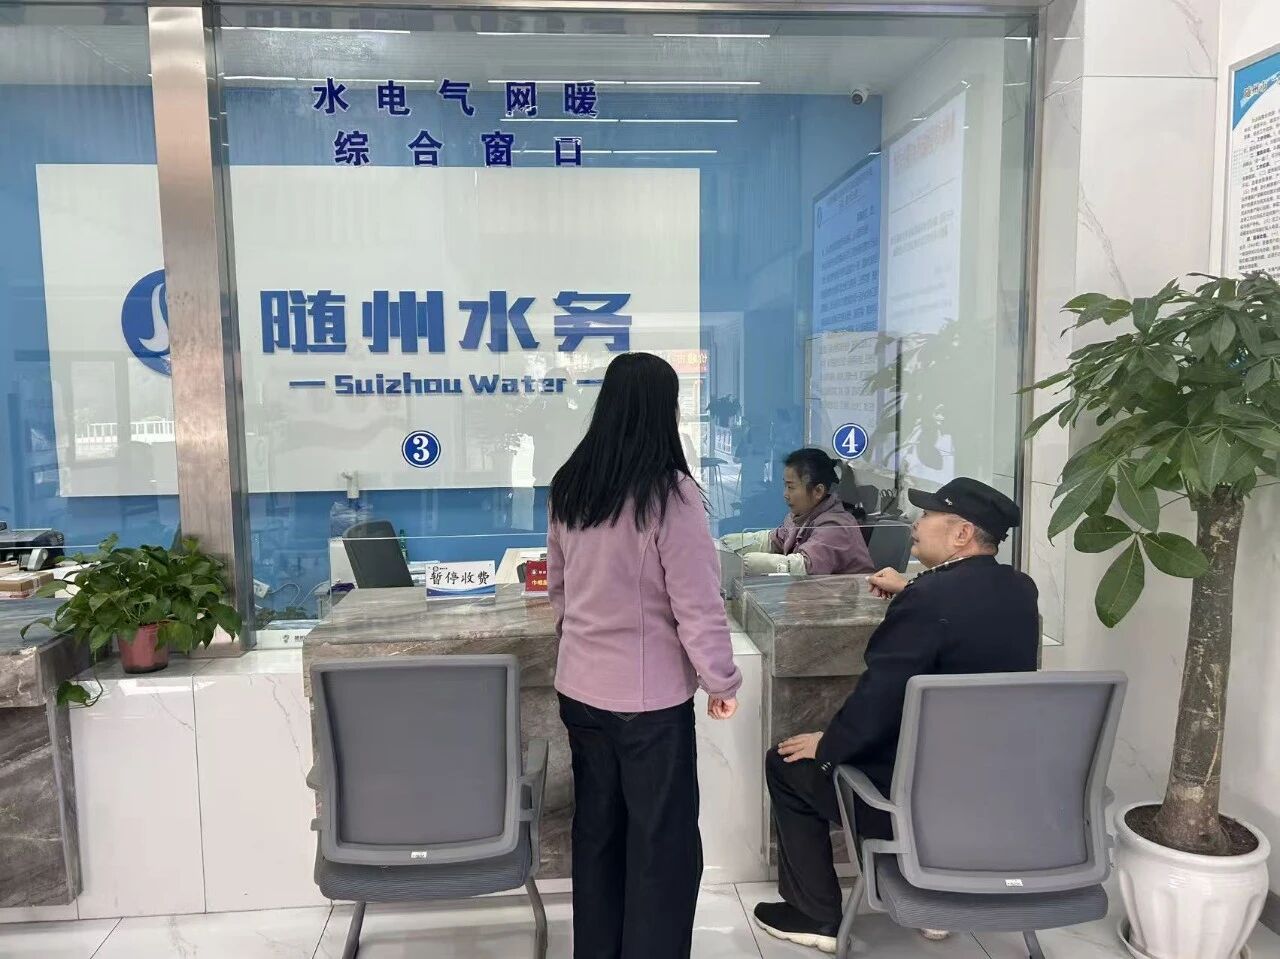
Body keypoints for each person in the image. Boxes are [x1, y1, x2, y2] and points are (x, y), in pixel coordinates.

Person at [752, 477, 1039, 953]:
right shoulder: (1020, 590)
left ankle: (815, 915)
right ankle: (932, 889)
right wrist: (911, 588)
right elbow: (966, 611)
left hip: (913, 803)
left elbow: (878, 701)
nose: (915, 524)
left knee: (786, 764)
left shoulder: (927, 600)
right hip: (990, 797)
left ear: (961, 534)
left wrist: (827, 745)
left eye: (927, 515)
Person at [547, 352, 742, 959]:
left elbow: (559, 590)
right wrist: (721, 680)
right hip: (648, 701)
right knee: (662, 844)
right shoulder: (669, 493)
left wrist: (582, 647)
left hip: (579, 688)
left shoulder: (571, 484)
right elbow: (697, 603)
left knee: (598, 833)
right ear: (665, 410)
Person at [721, 448, 873, 576]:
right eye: (785, 486)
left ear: (818, 491)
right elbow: (774, 540)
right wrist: (726, 544)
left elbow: (803, 566)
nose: (785, 494)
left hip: (846, 600)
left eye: (791, 487)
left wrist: (743, 563)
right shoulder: (801, 516)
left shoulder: (836, 526)